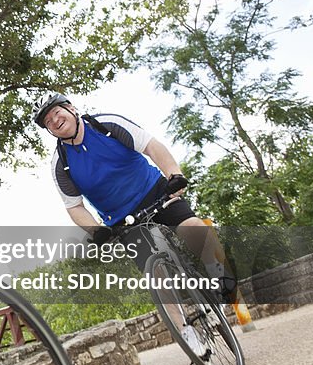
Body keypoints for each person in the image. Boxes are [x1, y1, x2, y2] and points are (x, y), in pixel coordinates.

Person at [30, 92, 237, 306]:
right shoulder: (60, 164)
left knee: (192, 227)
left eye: (56, 112)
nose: (54, 120)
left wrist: (174, 174)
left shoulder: (107, 124)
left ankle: (219, 273)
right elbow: (74, 206)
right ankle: (185, 332)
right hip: (122, 219)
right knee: (155, 277)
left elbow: (151, 146)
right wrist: (96, 230)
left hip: (154, 191)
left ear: (71, 108)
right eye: (48, 121)